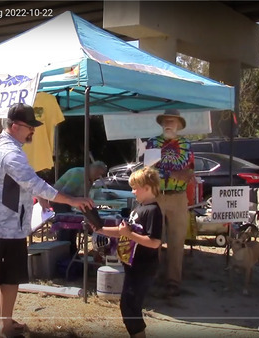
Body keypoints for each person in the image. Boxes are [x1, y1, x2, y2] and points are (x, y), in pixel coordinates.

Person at [0, 103, 94, 337]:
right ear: (14, 126)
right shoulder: (11, 153)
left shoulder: (1, 145)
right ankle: (7, 327)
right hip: (8, 226)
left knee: (1, 274)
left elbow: (15, 182)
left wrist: (35, 196)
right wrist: (72, 200)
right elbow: (34, 182)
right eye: (29, 126)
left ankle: (0, 318)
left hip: (0, 223)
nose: (32, 131)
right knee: (10, 278)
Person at [94, 166, 162, 338]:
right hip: (132, 265)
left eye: (135, 187)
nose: (132, 192)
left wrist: (129, 234)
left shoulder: (154, 211)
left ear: (147, 187)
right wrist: (101, 229)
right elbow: (122, 230)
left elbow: (154, 242)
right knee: (128, 305)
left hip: (144, 267)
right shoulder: (139, 208)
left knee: (130, 306)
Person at [145, 109, 194, 297]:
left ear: (179, 125)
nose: (168, 124)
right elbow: (149, 171)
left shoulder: (186, 145)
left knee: (177, 240)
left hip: (179, 196)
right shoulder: (153, 143)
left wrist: (171, 173)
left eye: (172, 121)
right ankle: (152, 277)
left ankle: (173, 281)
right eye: (165, 121)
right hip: (156, 195)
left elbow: (189, 172)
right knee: (153, 238)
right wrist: (173, 173)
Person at [52, 161, 108, 255]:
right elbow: (65, 193)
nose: (99, 177)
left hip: (70, 203)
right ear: (94, 169)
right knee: (65, 228)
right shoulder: (79, 174)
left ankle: (72, 252)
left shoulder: (89, 179)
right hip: (60, 202)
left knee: (73, 230)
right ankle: (63, 254)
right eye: (99, 174)